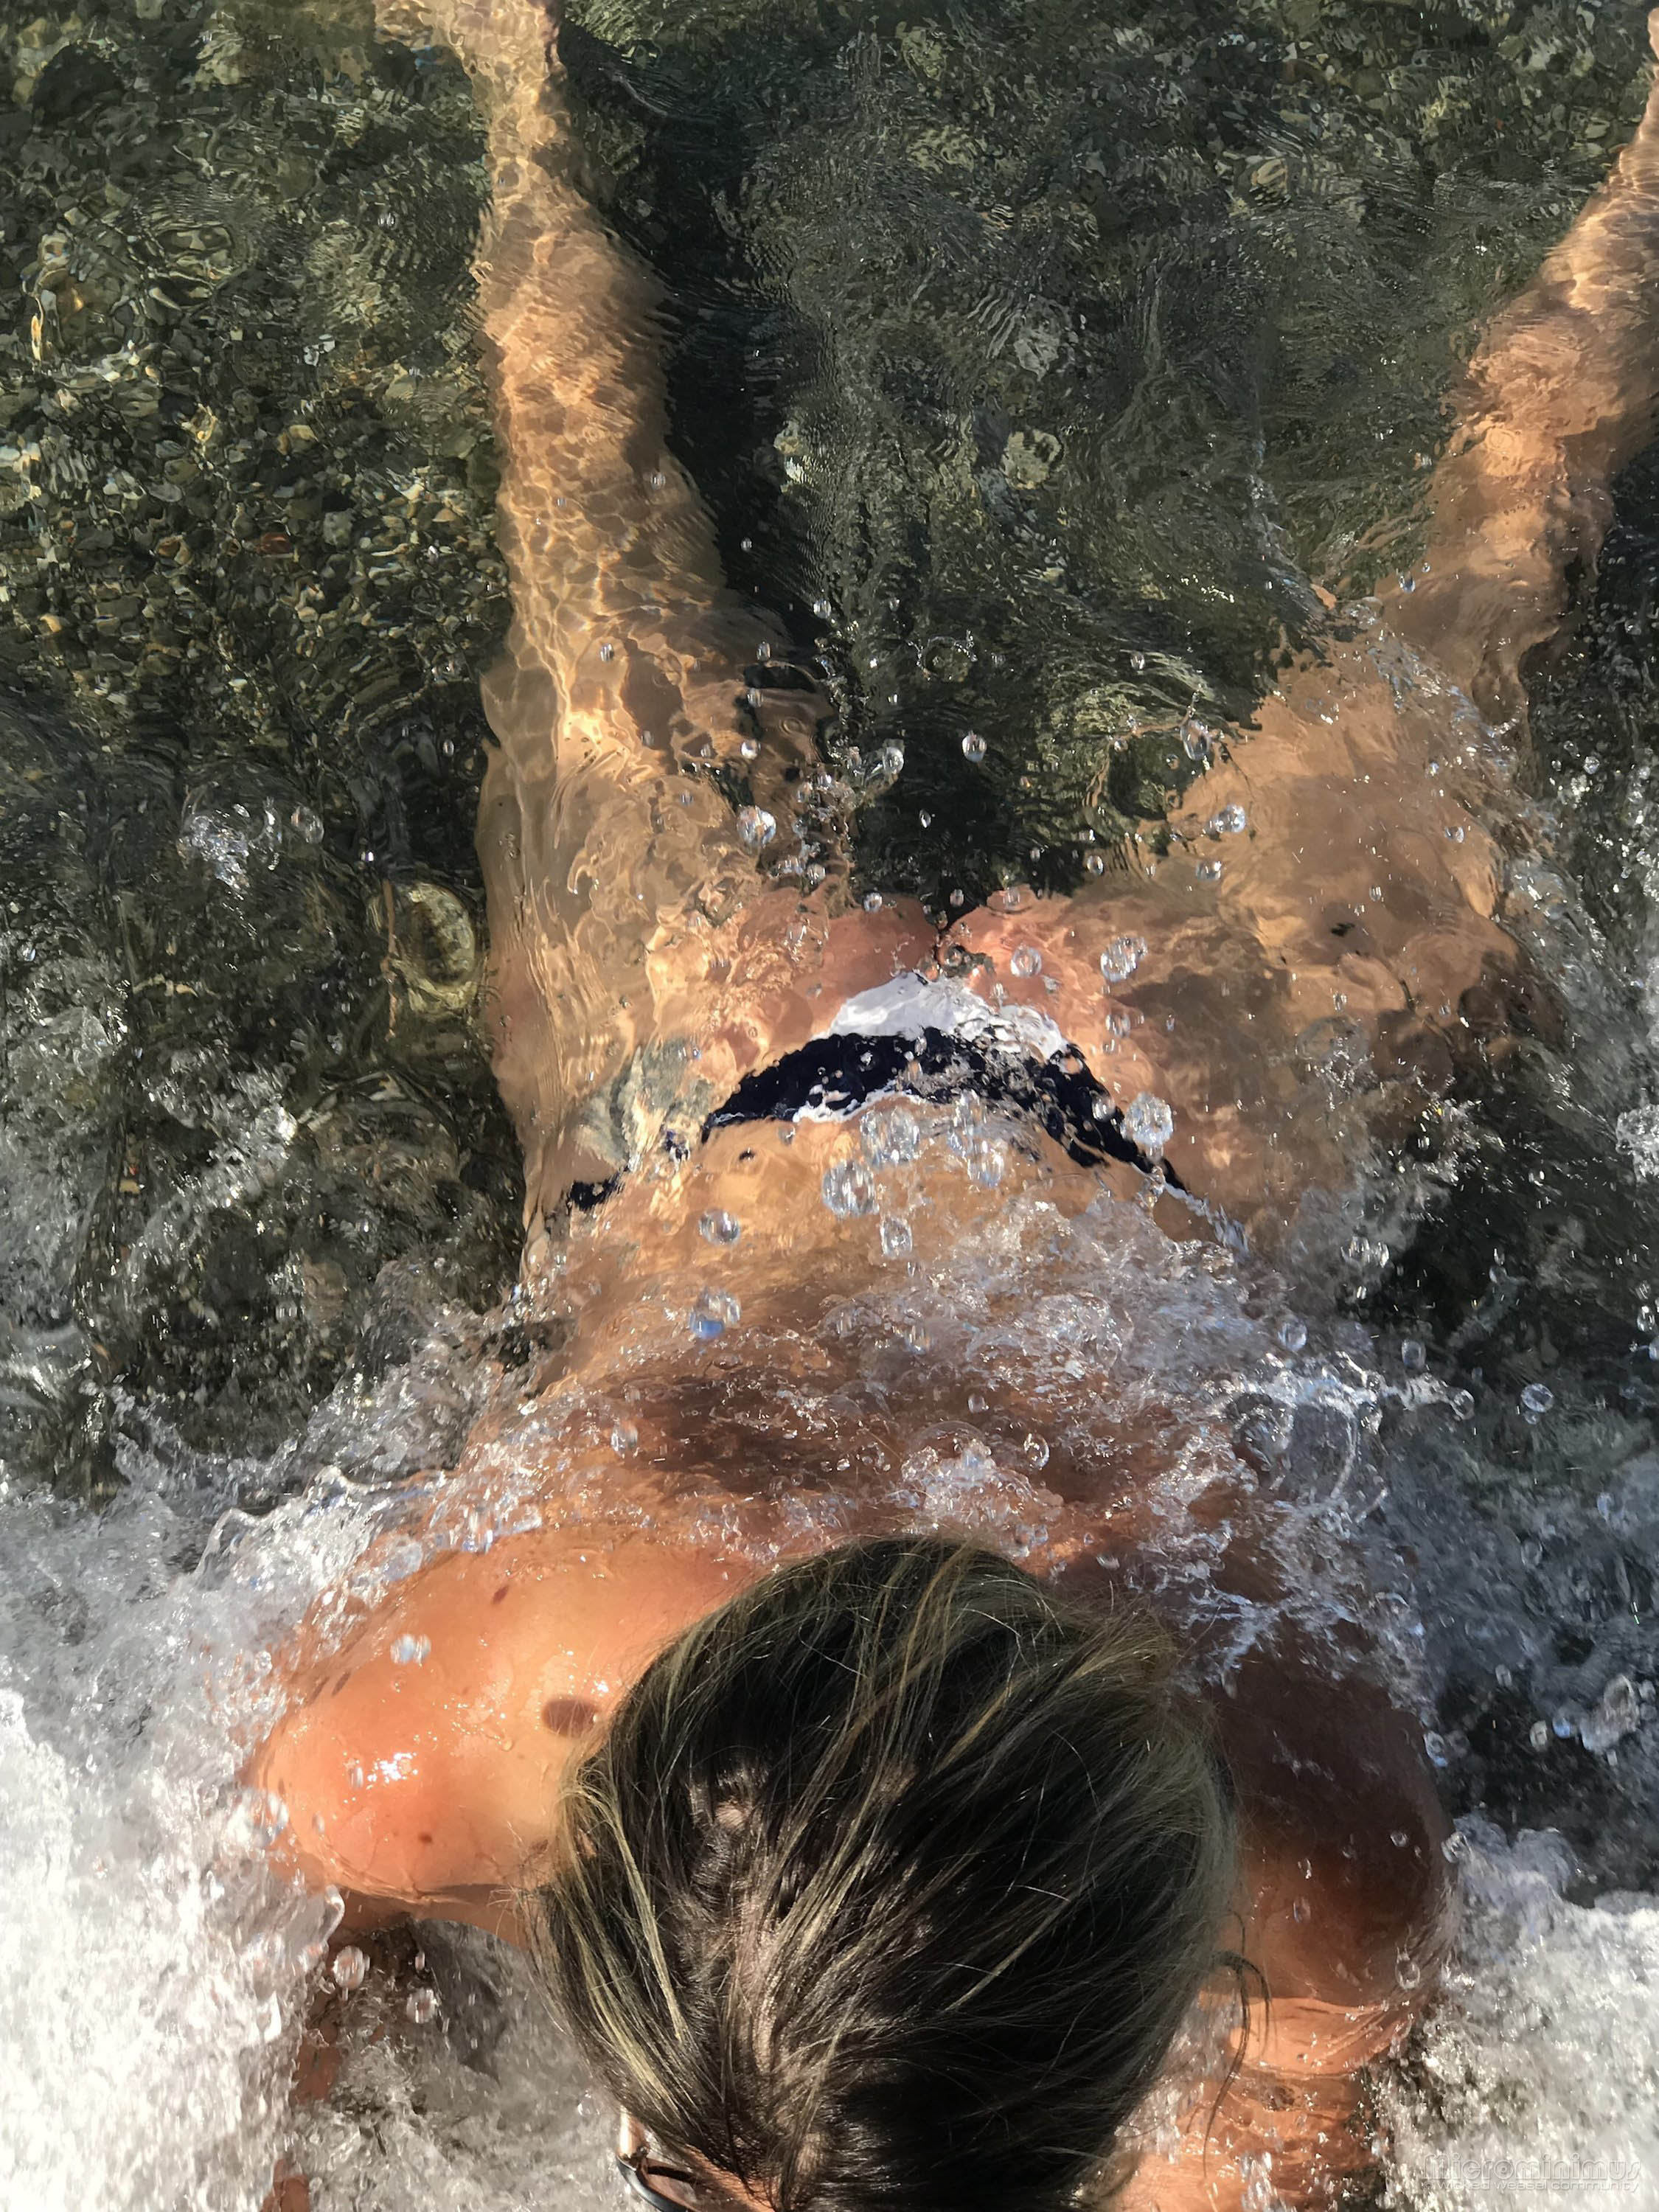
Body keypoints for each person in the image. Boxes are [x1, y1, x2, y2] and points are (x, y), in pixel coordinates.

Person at [254, 4, 1659, 2205]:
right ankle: (518, 73)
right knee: (1488, 563)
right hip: (869, 1115)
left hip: (1048, 1123)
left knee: (1493, 575)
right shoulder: (426, 1737)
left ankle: (527, 88)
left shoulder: (1310, 1841)